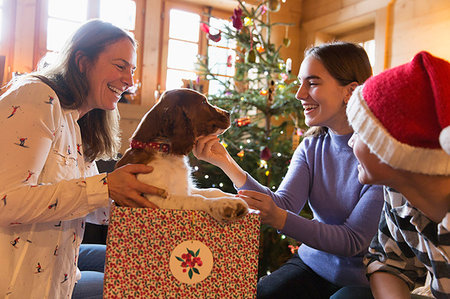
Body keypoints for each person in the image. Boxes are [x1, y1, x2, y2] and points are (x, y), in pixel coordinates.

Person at [193, 41, 384, 298]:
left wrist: (279, 218)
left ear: (350, 91)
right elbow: (285, 204)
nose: (299, 94)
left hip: (364, 281)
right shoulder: (312, 145)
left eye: (313, 83)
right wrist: (225, 161)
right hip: (311, 265)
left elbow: (353, 241)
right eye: (301, 83)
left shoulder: (381, 156)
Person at [0, 19, 166, 298]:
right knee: (136, 288)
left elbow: (84, 200)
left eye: (132, 70)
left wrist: (148, 197)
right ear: (82, 62)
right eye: (120, 66)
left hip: (60, 269)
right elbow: (5, 201)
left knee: (147, 269)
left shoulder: (76, 122)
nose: (130, 81)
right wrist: (106, 188)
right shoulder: (36, 96)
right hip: (18, 283)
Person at [346, 51, 450, 299]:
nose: (351, 142)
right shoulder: (397, 192)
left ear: (395, 148)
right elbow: (388, 261)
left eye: (360, 132)